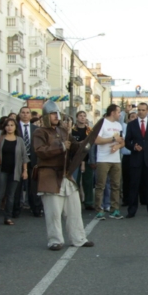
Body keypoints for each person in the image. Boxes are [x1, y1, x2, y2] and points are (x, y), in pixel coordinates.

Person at [33, 101, 94, 251]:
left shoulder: (63, 130)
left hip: (66, 174)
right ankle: (55, 240)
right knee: (53, 212)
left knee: (74, 209)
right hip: (49, 175)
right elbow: (40, 151)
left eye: (57, 113)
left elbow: (74, 146)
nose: (56, 116)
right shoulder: (40, 132)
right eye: (53, 113)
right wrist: (59, 147)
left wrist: (85, 144)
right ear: (47, 116)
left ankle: (78, 238)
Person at [0, 118, 28, 226]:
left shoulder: (20, 140)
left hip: (15, 171)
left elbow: (24, 157)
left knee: (11, 195)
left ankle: (7, 217)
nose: (9, 127)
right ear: (4, 127)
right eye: (7, 125)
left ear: (15, 127)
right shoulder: (0, 138)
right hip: (1, 170)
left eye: (12, 125)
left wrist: (25, 171)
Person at [124, 102, 148, 218]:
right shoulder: (132, 124)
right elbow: (127, 142)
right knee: (134, 185)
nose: (141, 112)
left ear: (147, 111)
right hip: (136, 159)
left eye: (143, 110)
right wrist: (133, 147)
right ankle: (132, 210)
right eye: (139, 110)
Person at [94, 104, 124, 220]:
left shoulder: (118, 125)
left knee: (116, 185)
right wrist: (112, 139)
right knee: (100, 185)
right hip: (103, 159)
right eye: (118, 112)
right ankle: (99, 210)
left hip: (116, 160)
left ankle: (114, 209)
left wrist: (118, 146)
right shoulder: (102, 123)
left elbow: (122, 141)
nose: (120, 114)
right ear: (112, 112)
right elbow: (96, 140)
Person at [14, 107, 42, 218]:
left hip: (33, 160)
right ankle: (15, 209)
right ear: (19, 114)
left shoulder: (36, 129)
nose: (25, 115)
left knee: (33, 186)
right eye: (23, 113)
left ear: (30, 115)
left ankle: (36, 208)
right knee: (17, 185)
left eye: (27, 113)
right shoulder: (14, 128)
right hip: (18, 160)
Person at [71, 111, 94, 210]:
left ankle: (89, 202)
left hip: (87, 159)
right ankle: (75, 202)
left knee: (88, 182)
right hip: (75, 160)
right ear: (76, 118)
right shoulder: (72, 131)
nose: (82, 118)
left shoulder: (89, 131)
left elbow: (92, 145)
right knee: (74, 182)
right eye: (80, 116)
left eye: (84, 116)